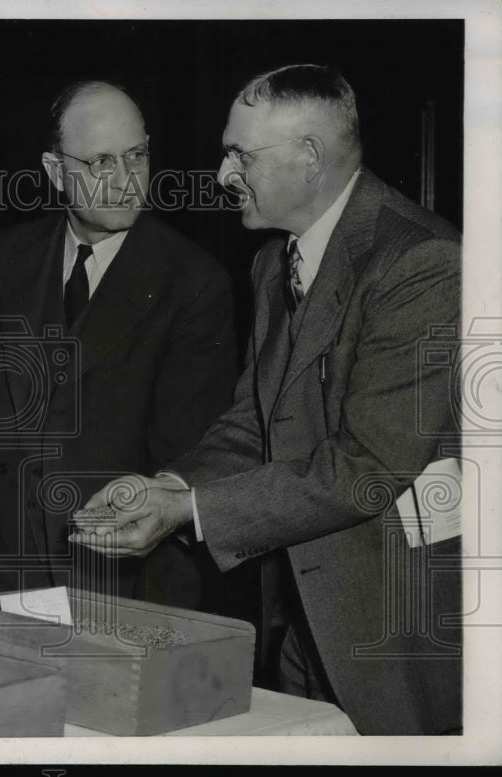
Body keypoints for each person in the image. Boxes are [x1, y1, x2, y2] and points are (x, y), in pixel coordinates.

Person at [75, 65, 462, 735]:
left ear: (309, 159)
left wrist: (189, 509)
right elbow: (257, 418)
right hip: (300, 615)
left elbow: (367, 465)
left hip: (391, 626)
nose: (222, 174)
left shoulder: (420, 262)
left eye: (240, 155)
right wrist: (165, 484)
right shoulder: (271, 263)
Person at [0, 81, 236, 606]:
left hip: (110, 580)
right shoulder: (3, 257)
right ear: (56, 172)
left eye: (136, 155)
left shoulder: (193, 283)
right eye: (100, 162)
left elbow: (185, 463)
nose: (124, 180)